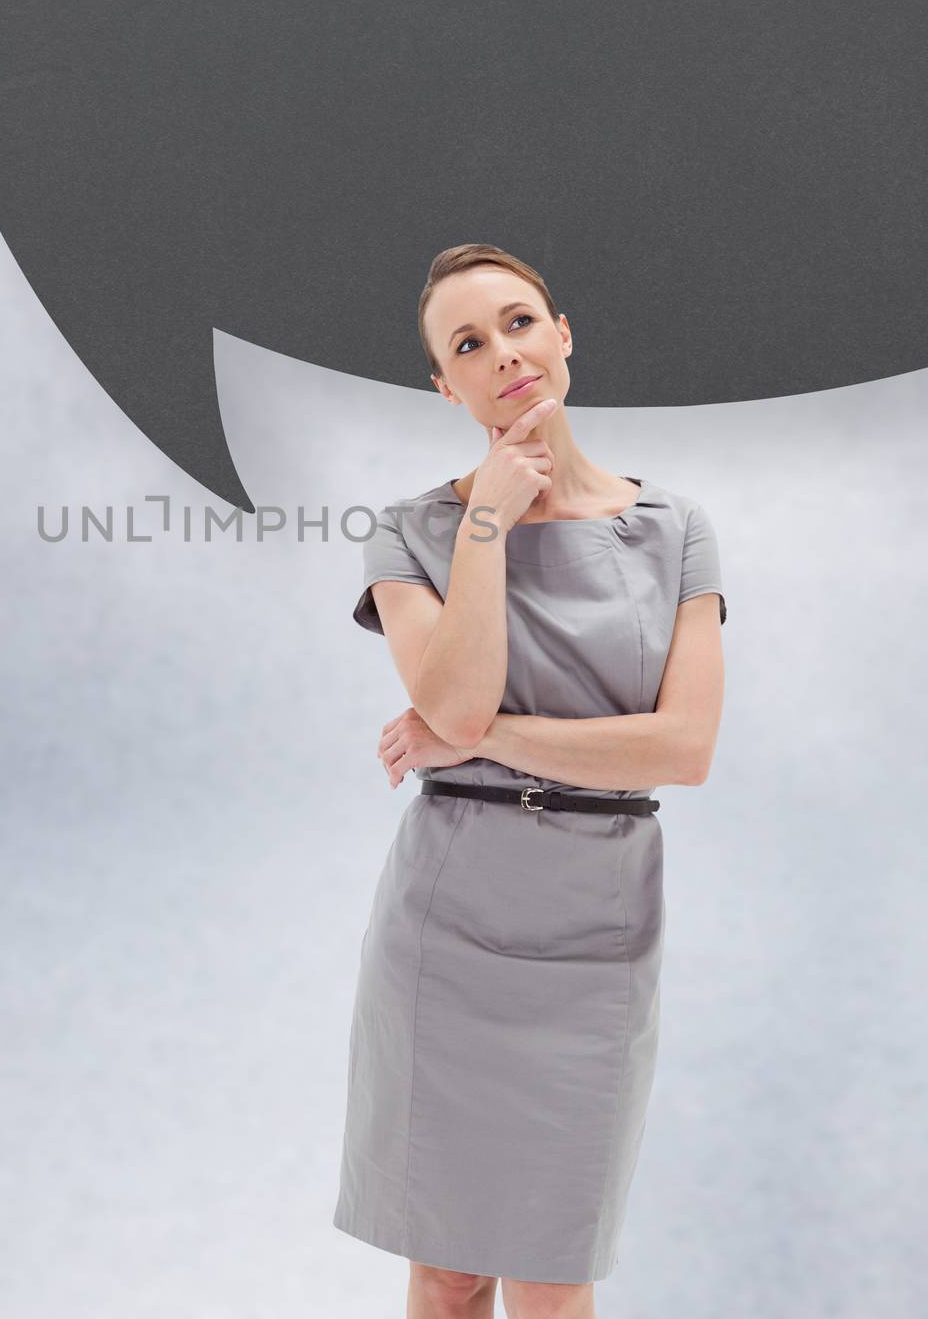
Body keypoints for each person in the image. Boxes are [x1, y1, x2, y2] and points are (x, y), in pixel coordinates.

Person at [332, 243, 727, 1319]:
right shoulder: (412, 531)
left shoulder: (675, 530)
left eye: (516, 322)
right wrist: (492, 518)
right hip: (446, 928)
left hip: (597, 936)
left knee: (553, 1279)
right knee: (449, 1269)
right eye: (467, 344)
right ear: (442, 385)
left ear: (561, 332)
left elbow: (681, 748)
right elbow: (450, 707)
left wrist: (480, 737)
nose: (501, 353)